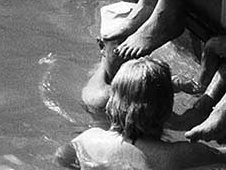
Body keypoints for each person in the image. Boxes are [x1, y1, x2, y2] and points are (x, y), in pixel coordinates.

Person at [56, 56, 225, 169]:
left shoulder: (88, 139)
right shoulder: (179, 155)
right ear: (167, 112)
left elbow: (61, 158)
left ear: (111, 105)